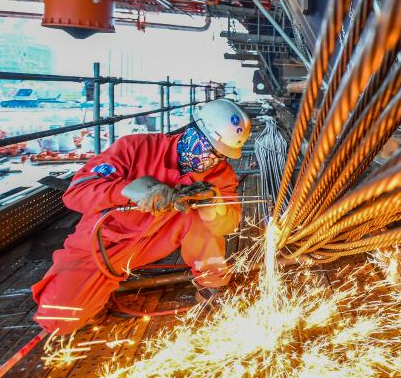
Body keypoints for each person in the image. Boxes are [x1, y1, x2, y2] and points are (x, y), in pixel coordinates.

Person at [31, 99, 252, 334]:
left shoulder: (220, 174)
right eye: (209, 148)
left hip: (157, 241)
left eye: (221, 155)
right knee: (58, 319)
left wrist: (213, 205)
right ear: (193, 130)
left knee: (201, 217)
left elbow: (227, 225)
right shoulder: (135, 147)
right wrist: (132, 191)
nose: (211, 159)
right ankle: (97, 289)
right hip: (105, 243)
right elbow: (76, 193)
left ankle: (212, 285)